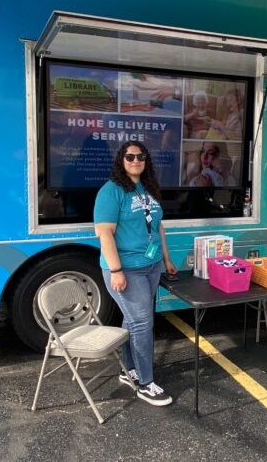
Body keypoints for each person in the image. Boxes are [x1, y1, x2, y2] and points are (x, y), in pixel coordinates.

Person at [93, 142, 178, 406]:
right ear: (122, 160)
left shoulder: (147, 188)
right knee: (142, 323)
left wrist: (166, 258)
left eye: (141, 156)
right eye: (130, 156)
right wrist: (116, 270)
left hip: (151, 266)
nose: (135, 160)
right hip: (126, 269)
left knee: (134, 321)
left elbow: (158, 226)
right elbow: (104, 232)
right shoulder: (111, 191)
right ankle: (145, 383)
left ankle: (127, 368)